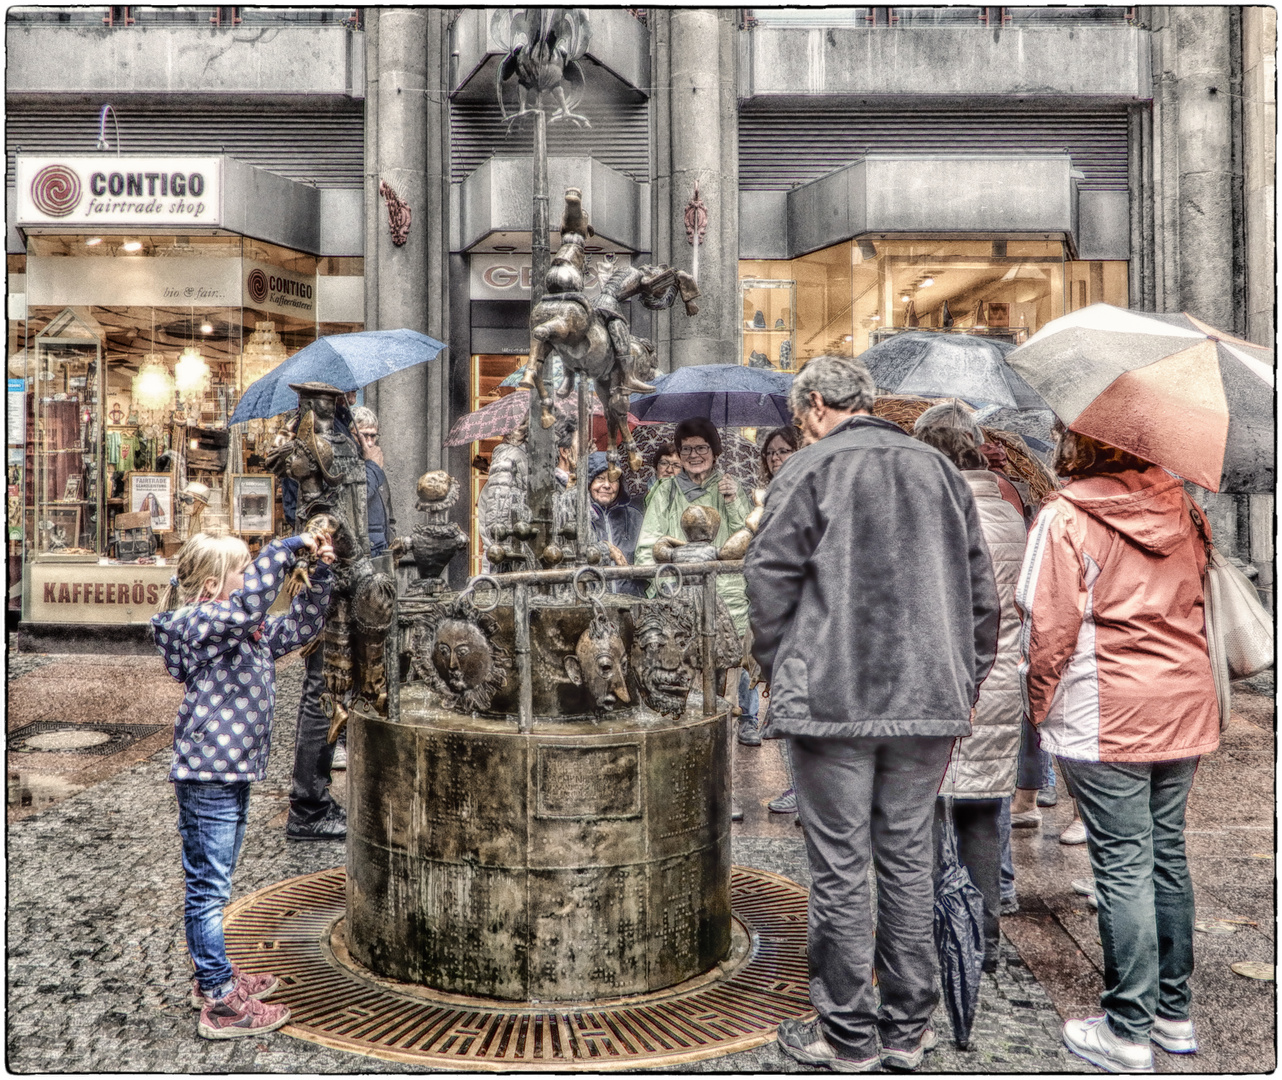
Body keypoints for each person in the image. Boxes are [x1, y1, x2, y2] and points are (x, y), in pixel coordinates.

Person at [746, 355, 999, 1072]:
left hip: (833, 701)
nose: (802, 426)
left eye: (801, 415)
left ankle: (849, 1036)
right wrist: (963, 677)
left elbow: (767, 579)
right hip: (925, 700)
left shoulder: (809, 467)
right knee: (908, 857)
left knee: (840, 867)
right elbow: (981, 593)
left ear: (818, 403)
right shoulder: (937, 469)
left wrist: (780, 668)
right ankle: (908, 1031)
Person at [1017, 428, 1217, 1073]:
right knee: (1166, 853)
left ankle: (1127, 1029)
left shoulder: (1066, 515)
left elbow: (1046, 626)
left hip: (1105, 709)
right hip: (1182, 699)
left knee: (1123, 864)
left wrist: (1040, 703)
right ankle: (1174, 1016)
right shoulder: (1183, 506)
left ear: (1079, 446)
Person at [152, 528, 334, 1040]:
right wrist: (283, 548)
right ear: (214, 586)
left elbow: (298, 628)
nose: (254, 579)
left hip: (229, 773)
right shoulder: (203, 622)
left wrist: (321, 573)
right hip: (207, 774)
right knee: (208, 892)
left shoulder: (241, 628)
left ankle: (215, 976)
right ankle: (219, 1001)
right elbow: (251, 604)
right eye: (244, 570)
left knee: (217, 886)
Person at [915, 425, 1026, 974]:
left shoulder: (941, 514)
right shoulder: (1010, 510)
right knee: (982, 813)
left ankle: (941, 937)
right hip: (1003, 684)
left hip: (951, 682)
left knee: (931, 811)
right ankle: (985, 940)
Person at [635, 416, 751, 635]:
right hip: (677, 602)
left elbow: (744, 544)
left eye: (701, 448)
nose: (694, 455)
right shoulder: (665, 491)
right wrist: (670, 587)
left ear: (715, 452)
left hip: (728, 602)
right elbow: (646, 549)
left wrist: (733, 502)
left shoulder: (731, 488)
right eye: (686, 449)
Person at [555, 451, 644, 593]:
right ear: (589, 482)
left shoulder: (635, 517)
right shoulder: (576, 517)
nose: (607, 485)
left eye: (613, 479)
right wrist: (604, 549)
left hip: (631, 604)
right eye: (600, 478)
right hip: (591, 601)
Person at [350, 405, 397, 558]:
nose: (370, 443)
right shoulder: (351, 465)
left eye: (373, 436)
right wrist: (373, 466)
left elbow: (388, 513)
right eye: (364, 436)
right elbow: (361, 497)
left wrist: (392, 542)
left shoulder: (375, 466)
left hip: (381, 551)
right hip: (361, 552)